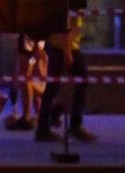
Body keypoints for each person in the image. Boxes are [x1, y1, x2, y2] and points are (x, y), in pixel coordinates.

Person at [36, 11, 96, 143]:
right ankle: (52, 127)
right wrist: (67, 51)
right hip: (62, 46)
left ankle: (47, 126)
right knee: (62, 84)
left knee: (56, 86)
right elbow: (64, 24)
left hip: (64, 45)